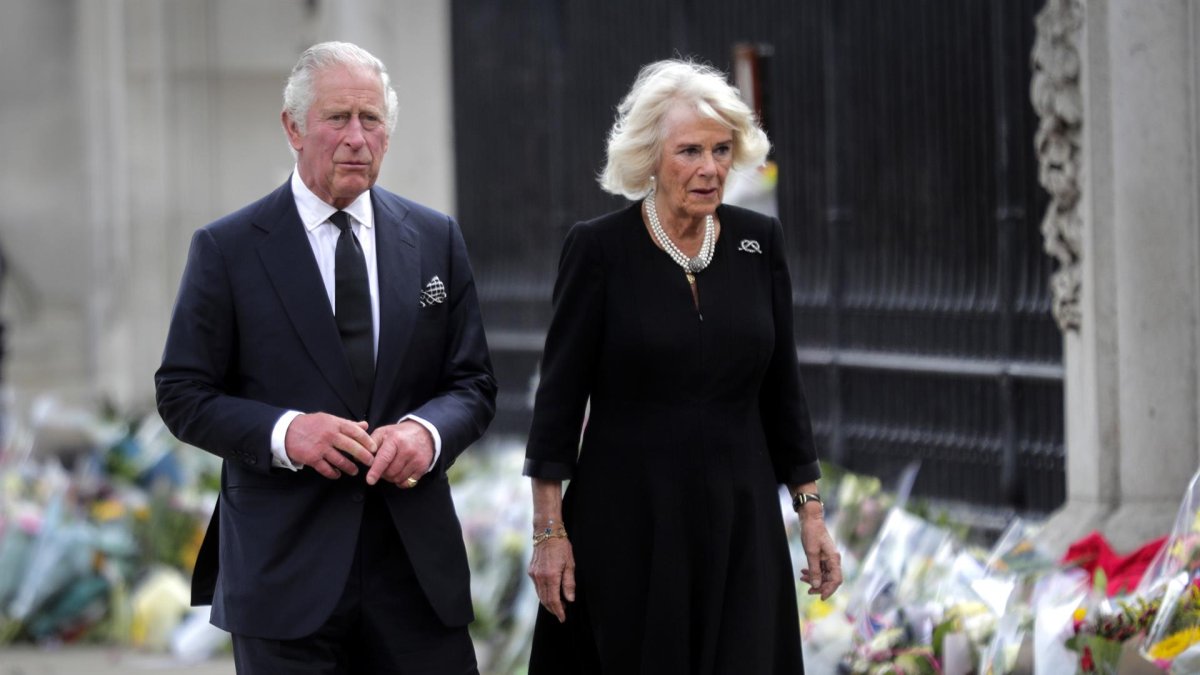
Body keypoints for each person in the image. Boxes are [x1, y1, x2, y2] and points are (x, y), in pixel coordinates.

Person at [155, 41, 495, 674]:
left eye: (372, 120)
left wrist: (426, 433)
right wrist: (288, 432)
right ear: (293, 127)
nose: (357, 138)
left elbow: (472, 382)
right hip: (284, 575)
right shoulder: (227, 250)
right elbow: (182, 393)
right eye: (338, 118)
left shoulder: (434, 238)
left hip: (415, 575)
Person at [523, 59, 843, 674]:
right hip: (630, 522)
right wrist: (549, 533)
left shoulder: (758, 242)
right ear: (649, 156)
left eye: (722, 150)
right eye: (690, 150)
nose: (710, 168)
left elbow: (783, 391)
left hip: (741, 521)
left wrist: (811, 513)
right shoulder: (599, 250)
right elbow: (558, 405)